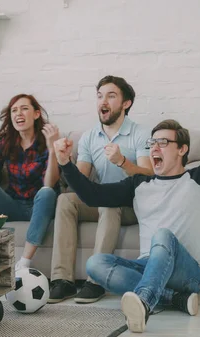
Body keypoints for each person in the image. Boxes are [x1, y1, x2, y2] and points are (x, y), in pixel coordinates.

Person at [53, 56, 200, 333]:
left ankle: (145, 302)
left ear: (182, 149)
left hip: (189, 272)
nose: (155, 148)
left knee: (163, 235)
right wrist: (65, 164)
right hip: (149, 267)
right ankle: (173, 300)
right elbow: (92, 195)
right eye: (153, 142)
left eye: (163, 142)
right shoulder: (139, 184)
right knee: (96, 263)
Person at [48, 76, 153, 304]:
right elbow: (81, 180)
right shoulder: (89, 137)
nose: (102, 101)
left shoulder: (140, 133)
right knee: (65, 201)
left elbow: (148, 175)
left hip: (130, 205)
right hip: (101, 199)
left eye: (111, 96)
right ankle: (62, 281)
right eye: (99, 96)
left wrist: (122, 161)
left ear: (126, 103)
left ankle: (96, 281)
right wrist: (64, 161)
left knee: (109, 203)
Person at [0, 94, 60, 271]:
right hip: (12, 205)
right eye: (14, 110)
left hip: (39, 206)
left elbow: (50, 183)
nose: (19, 113)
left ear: (36, 114)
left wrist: (52, 149)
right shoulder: (6, 141)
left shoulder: (47, 141)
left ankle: (24, 262)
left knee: (47, 192)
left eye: (24, 108)